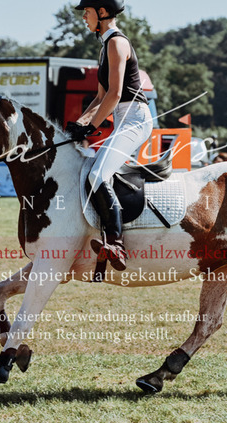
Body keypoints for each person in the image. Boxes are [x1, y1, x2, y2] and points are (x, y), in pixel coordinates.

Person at [67, 0, 153, 271]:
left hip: (135, 119)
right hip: (123, 119)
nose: (84, 16)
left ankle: (116, 244)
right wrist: (79, 123)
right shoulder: (105, 47)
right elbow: (100, 97)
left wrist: (92, 126)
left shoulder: (116, 43)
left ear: (102, 12)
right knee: (90, 171)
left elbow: (115, 94)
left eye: (87, 11)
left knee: (97, 175)